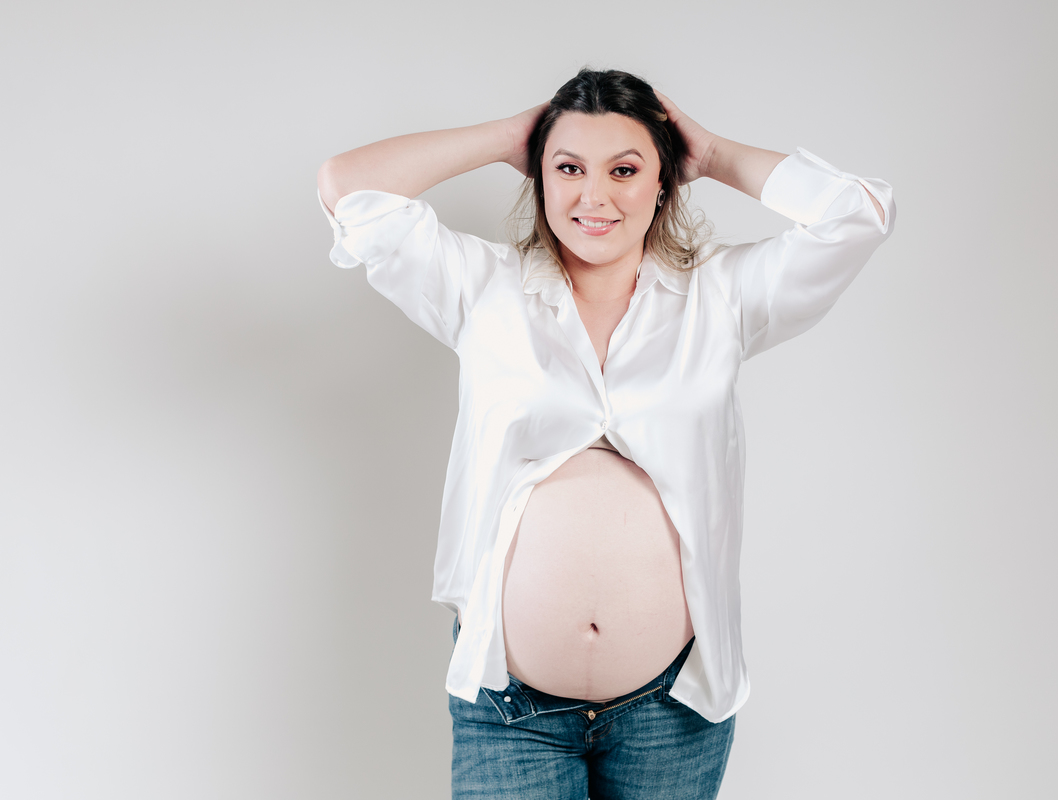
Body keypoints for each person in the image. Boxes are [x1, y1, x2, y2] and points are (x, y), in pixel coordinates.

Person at [317, 68, 894, 800]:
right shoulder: (483, 288)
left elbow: (858, 215)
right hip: (510, 710)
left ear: (663, 182)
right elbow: (347, 185)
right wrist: (509, 138)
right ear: (540, 177)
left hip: (672, 711)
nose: (594, 195)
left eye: (624, 170)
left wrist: (716, 154)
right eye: (569, 168)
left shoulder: (719, 298)